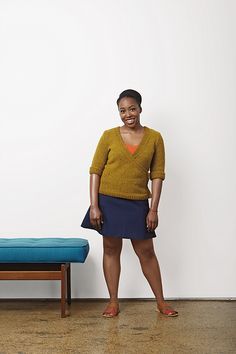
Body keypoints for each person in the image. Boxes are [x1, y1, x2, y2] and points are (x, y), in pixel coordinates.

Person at [81, 89, 178, 318]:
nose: (128, 114)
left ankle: (161, 302)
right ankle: (113, 302)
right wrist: (94, 205)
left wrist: (153, 209)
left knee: (146, 252)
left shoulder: (155, 138)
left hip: (137, 203)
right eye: (122, 110)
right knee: (111, 249)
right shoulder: (108, 136)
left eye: (132, 109)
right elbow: (95, 171)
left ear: (140, 109)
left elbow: (157, 174)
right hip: (108, 200)